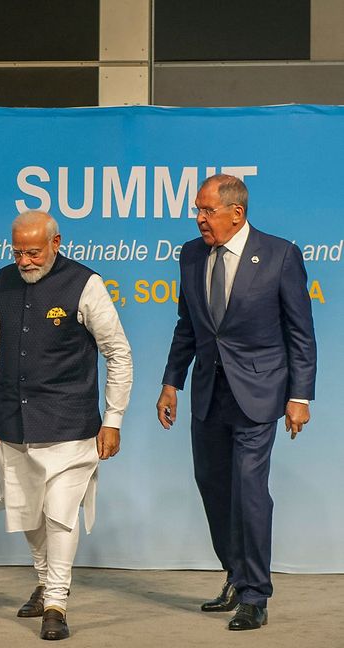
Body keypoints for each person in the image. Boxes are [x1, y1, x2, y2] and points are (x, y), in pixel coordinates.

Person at [157, 174, 316, 631]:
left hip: (261, 392)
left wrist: (299, 396)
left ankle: (254, 594)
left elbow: (300, 334)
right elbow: (187, 324)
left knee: (249, 490)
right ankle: (235, 574)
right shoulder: (190, 254)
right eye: (198, 210)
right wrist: (172, 382)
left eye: (207, 211)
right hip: (209, 392)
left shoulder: (280, 255)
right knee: (213, 486)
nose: (199, 219)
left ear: (236, 212)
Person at [0, 210, 132, 641]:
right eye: (18, 251)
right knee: (30, 515)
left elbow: (118, 353)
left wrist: (113, 419)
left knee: (60, 515)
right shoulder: (3, 281)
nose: (24, 260)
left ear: (56, 243)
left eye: (33, 252)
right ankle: (44, 582)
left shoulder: (86, 284)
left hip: (71, 425)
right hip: (12, 422)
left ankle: (57, 603)